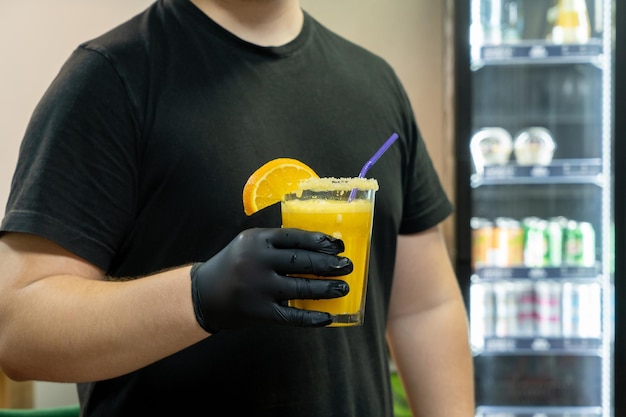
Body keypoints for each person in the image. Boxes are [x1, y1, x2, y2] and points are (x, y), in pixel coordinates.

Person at [0, 0, 474, 415]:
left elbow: (424, 308)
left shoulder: (377, 83)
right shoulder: (109, 77)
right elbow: (18, 329)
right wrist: (200, 295)